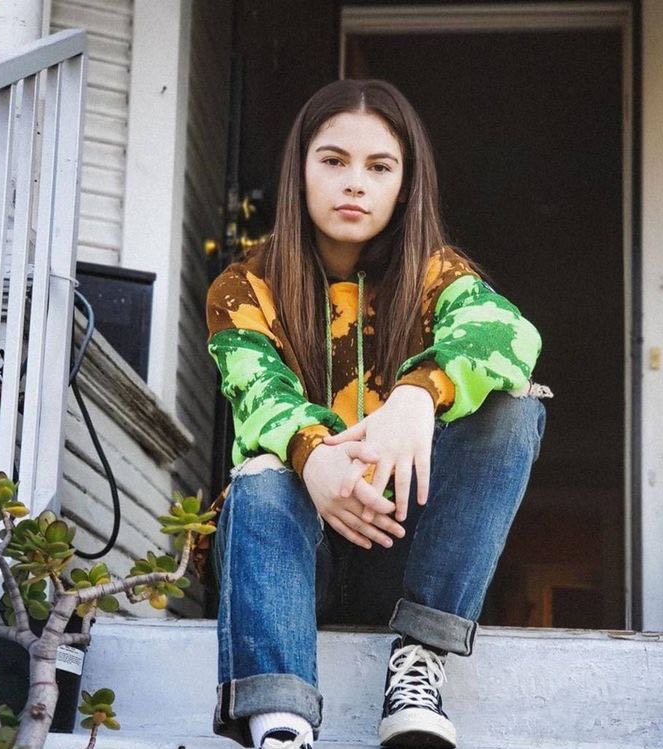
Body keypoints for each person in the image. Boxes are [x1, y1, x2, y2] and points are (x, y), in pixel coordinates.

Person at [205, 78, 551, 749]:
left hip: (399, 547)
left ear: (404, 184)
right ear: (300, 171)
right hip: (293, 556)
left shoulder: (435, 277)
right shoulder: (245, 286)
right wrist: (314, 457)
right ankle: (280, 724)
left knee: (512, 410)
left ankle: (418, 664)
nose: (354, 184)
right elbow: (258, 394)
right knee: (263, 476)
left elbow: (510, 336)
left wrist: (417, 395)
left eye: (379, 167)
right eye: (333, 160)